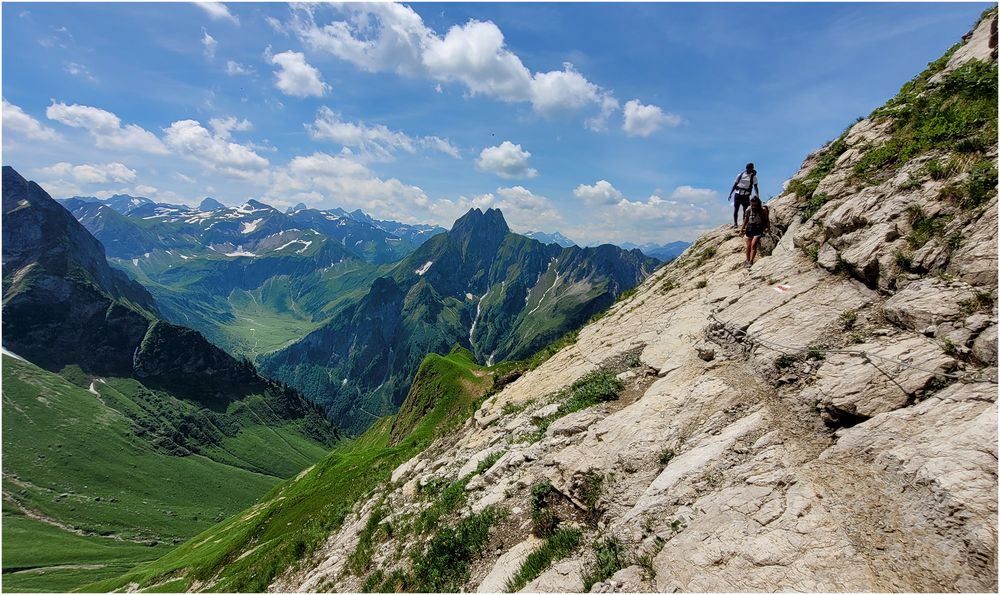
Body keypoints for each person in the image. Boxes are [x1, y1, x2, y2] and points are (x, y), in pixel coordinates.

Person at [740, 196, 770, 268]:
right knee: (748, 246)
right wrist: (741, 230)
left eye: (755, 204)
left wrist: (768, 228)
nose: (754, 206)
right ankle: (747, 260)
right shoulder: (749, 209)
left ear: (758, 203)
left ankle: (751, 261)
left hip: (758, 228)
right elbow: (746, 220)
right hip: (750, 228)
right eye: (752, 204)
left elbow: (766, 219)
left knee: (753, 245)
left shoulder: (762, 209)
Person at [729, 163, 759, 228]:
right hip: (738, 194)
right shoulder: (740, 175)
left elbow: (756, 187)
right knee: (736, 209)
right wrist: (730, 193)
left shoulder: (753, 177)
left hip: (746, 196)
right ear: (746, 168)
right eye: (748, 168)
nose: (749, 170)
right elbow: (735, 184)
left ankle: (744, 224)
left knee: (745, 210)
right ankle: (735, 223)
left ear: (752, 168)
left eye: (751, 168)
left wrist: (757, 195)